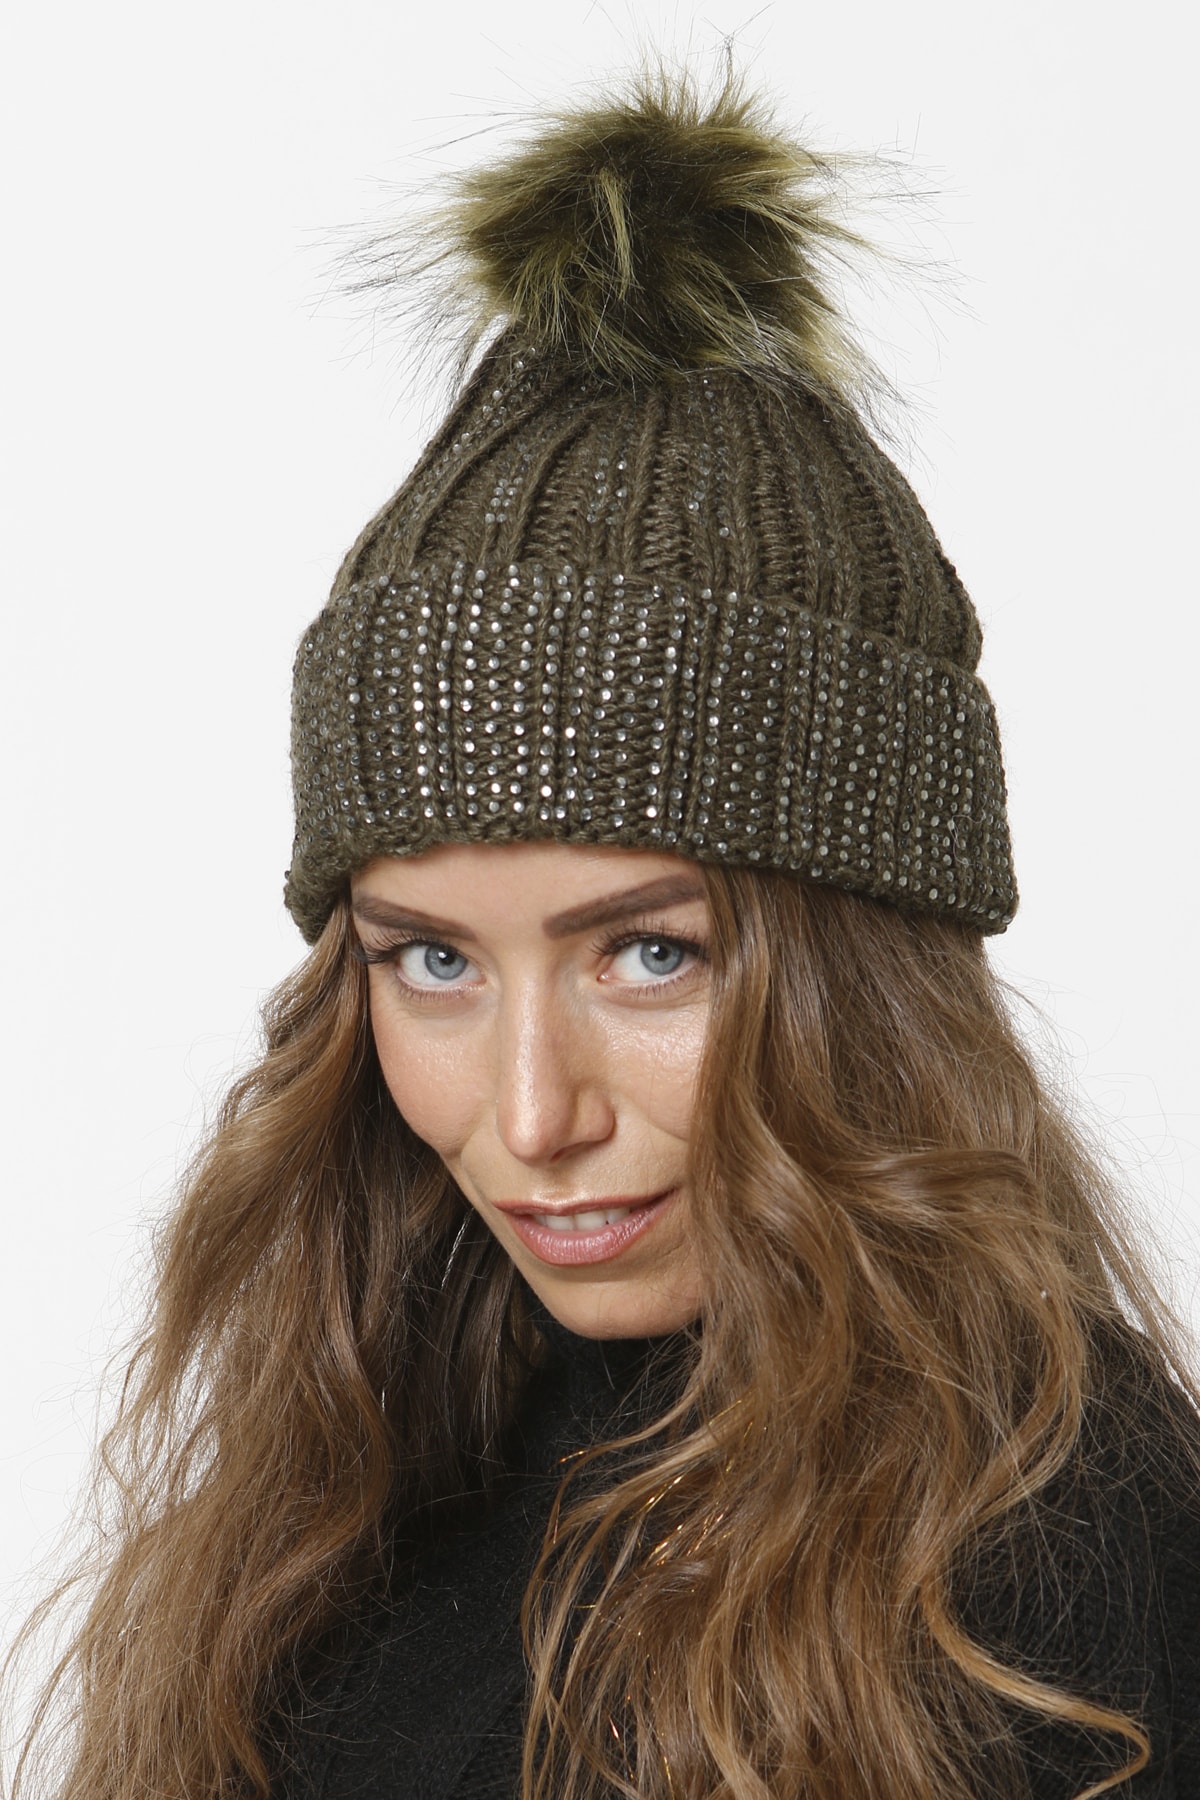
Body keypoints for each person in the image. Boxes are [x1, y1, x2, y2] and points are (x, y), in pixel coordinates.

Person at [9, 58, 1200, 1800]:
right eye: (434, 961)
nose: (531, 1112)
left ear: (872, 971)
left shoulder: (1060, 1579)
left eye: (650, 953)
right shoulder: (336, 1504)